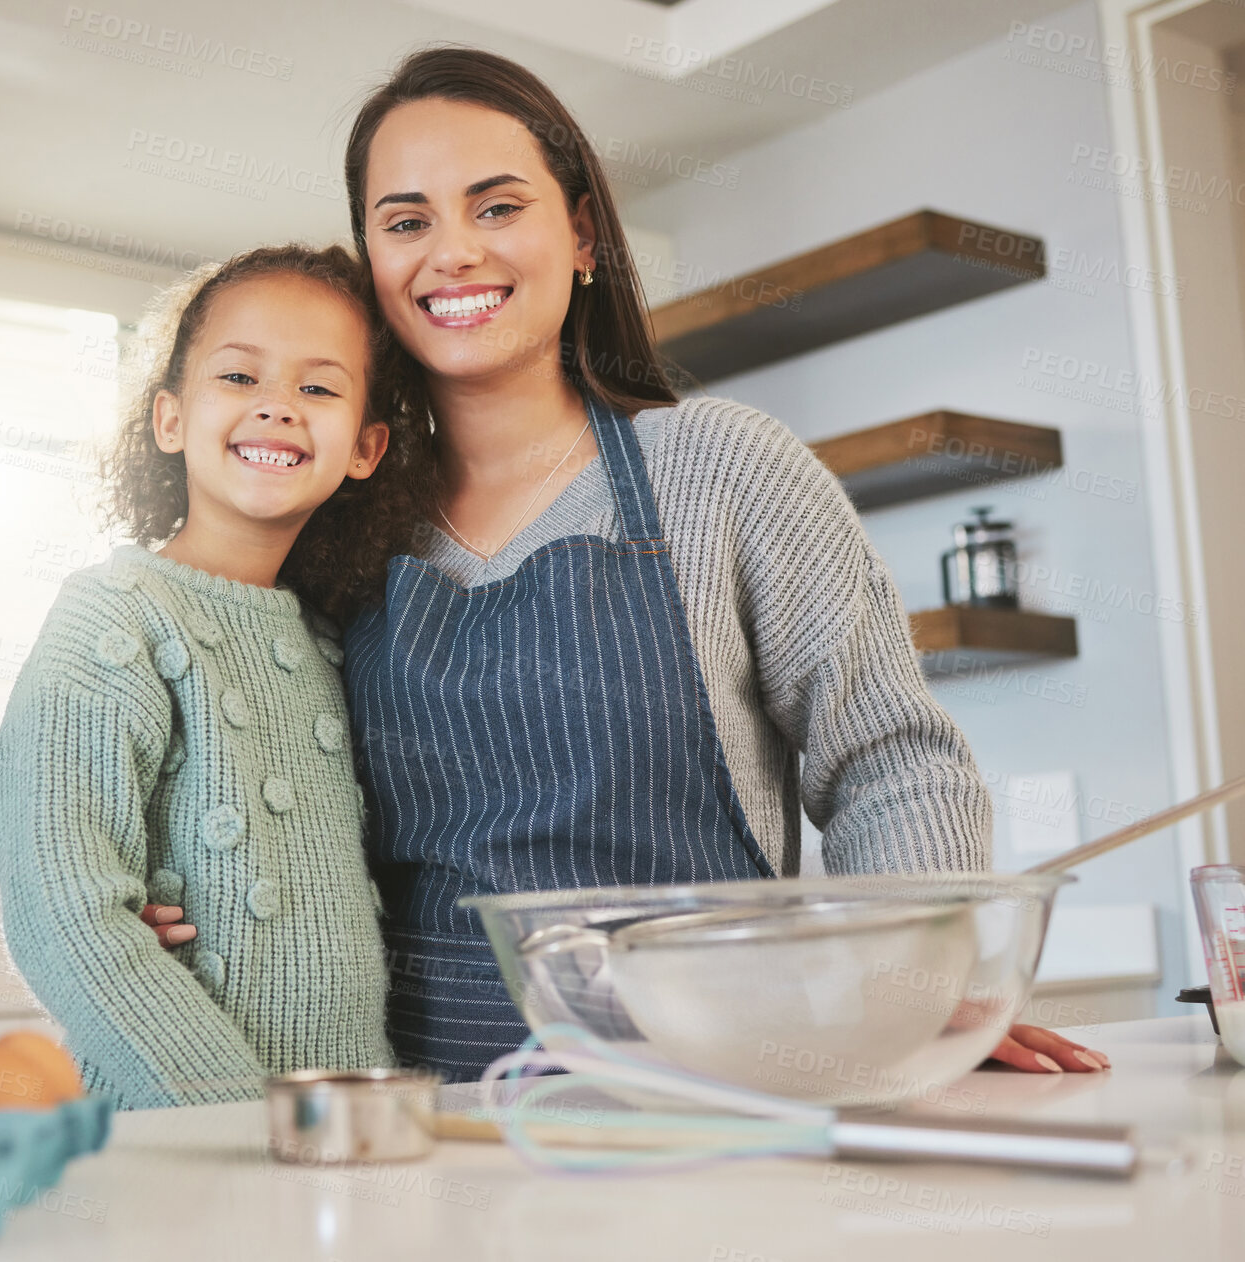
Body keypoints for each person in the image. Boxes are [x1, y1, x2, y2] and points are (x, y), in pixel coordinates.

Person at [146, 47, 1108, 1084]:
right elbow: (266, 785)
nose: (452, 252)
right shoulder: (335, 524)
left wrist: (922, 994)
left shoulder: (720, 465)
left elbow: (889, 758)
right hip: (431, 1121)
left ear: (583, 237)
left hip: (721, 1093)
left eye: (497, 206)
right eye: (406, 220)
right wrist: (173, 889)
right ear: (373, 264)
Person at [0, 243, 430, 1107]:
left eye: (318, 387)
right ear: (168, 420)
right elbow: (64, 911)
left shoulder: (333, 641)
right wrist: (234, 1120)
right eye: (238, 377)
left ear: (367, 446)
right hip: (184, 1140)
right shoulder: (113, 617)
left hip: (339, 1130)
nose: (277, 409)